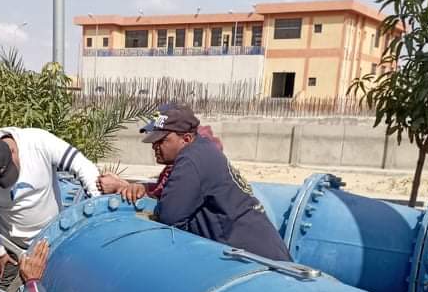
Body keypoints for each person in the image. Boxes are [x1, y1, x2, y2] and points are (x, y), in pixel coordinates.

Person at [99, 104, 290, 261]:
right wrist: (133, 187)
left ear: (186, 138)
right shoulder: (201, 150)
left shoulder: (190, 160)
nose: (154, 146)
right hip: (264, 251)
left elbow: (169, 217)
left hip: (257, 260)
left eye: (161, 140)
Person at [0, 127, 101, 288]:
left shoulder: (39, 143)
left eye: (9, 172)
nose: (7, 182)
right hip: (13, 248)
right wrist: (0, 250)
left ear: (13, 152)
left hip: (54, 240)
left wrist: (98, 204)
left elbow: (83, 166)